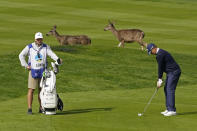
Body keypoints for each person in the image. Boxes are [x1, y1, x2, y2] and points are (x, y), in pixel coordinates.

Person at [19, 32, 62, 114]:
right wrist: (25, 65)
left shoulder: (45, 47)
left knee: (41, 90)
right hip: (33, 71)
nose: (39, 40)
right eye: (38, 39)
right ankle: (29, 108)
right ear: (35, 39)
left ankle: (41, 107)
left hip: (43, 72)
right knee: (31, 90)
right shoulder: (30, 47)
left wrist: (58, 59)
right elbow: (21, 55)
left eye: (40, 39)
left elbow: (51, 54)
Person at [147, 43, 181, 116]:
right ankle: (169, 108)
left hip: (174, 72)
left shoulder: (160, 55)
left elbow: (160, 68)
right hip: (170, 72)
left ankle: (172, 110)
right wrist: (160, 79)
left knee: (170, 89)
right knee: (166, 89)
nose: (152, 54)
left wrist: (159, 79)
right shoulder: (160, 53)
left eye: (151, 51)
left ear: (154, 48)